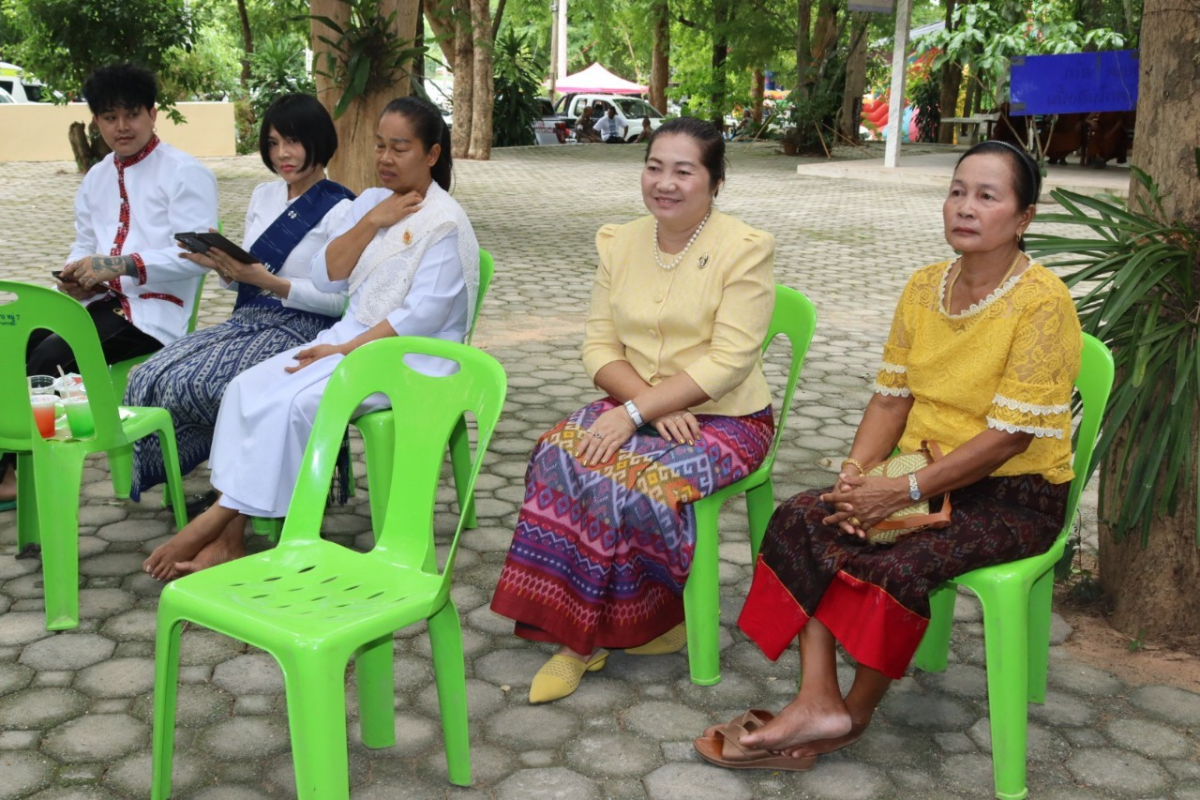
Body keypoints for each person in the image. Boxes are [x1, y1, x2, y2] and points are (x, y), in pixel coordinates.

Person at [694, 140, 1081, 771]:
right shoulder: (925, 285)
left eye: (988, 195)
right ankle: (817, 697)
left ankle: (855, 713)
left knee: (896, 562)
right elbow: (889, 400)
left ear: (1024, 216)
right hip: (921, 472)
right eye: (958, 190)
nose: (965, 206)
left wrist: (898, 493)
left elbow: (1010, 438)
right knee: (808, 515)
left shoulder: (1043, 303)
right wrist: (856, 479)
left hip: (1016, 489)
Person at [490, 116, 776, 704]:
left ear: (715, 181)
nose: (664, 183)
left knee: (633, 477)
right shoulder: (619, 242)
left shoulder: (745, 250)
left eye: (684, 171)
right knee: (558, 455)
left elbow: (729, 362)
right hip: (643, 398)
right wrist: (643, 403)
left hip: (729, 419)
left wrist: (637, 412)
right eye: (654, 167)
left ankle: (592, 638)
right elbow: (598, 346)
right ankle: (595, 624)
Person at [142, 96, 479, 580]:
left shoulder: (445, 222)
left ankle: (219, 521)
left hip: (411, 359)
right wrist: (372, 222)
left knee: (296, 404)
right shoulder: (368, 204)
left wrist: (342, 350)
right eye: (380, 146)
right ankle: (230, 536)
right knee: (246, 389)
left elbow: (418, 318)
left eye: (399, 148)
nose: (384, 158)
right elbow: (327, 275)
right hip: (350, 339)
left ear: (431, 154)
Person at [0, 62, 216, 508]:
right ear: (96, 121)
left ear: (153, 114)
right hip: (103, 305)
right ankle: (30, 458)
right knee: (20, 340)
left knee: (52, 356)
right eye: (110, 117)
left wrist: (119, 264)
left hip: (156, 311)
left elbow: (197, 256)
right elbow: (83, 242)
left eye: (132, 114)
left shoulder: (184, 171)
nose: (122, 127)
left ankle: (22, 468)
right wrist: (76, 278)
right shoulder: (97, 176)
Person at [122, 93, 355, 504]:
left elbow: (342, 304)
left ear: (319, 141)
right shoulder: (263, 196)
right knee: (149, 375)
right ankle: (225, 485)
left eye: (294, 142)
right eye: (272, 143)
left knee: (215, 383)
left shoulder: (343, 210)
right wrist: (218, 265)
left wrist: (271, 282)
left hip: (307, 329)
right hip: (247, 320)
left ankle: (235, 494)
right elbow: (244, 278)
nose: (282, 154)